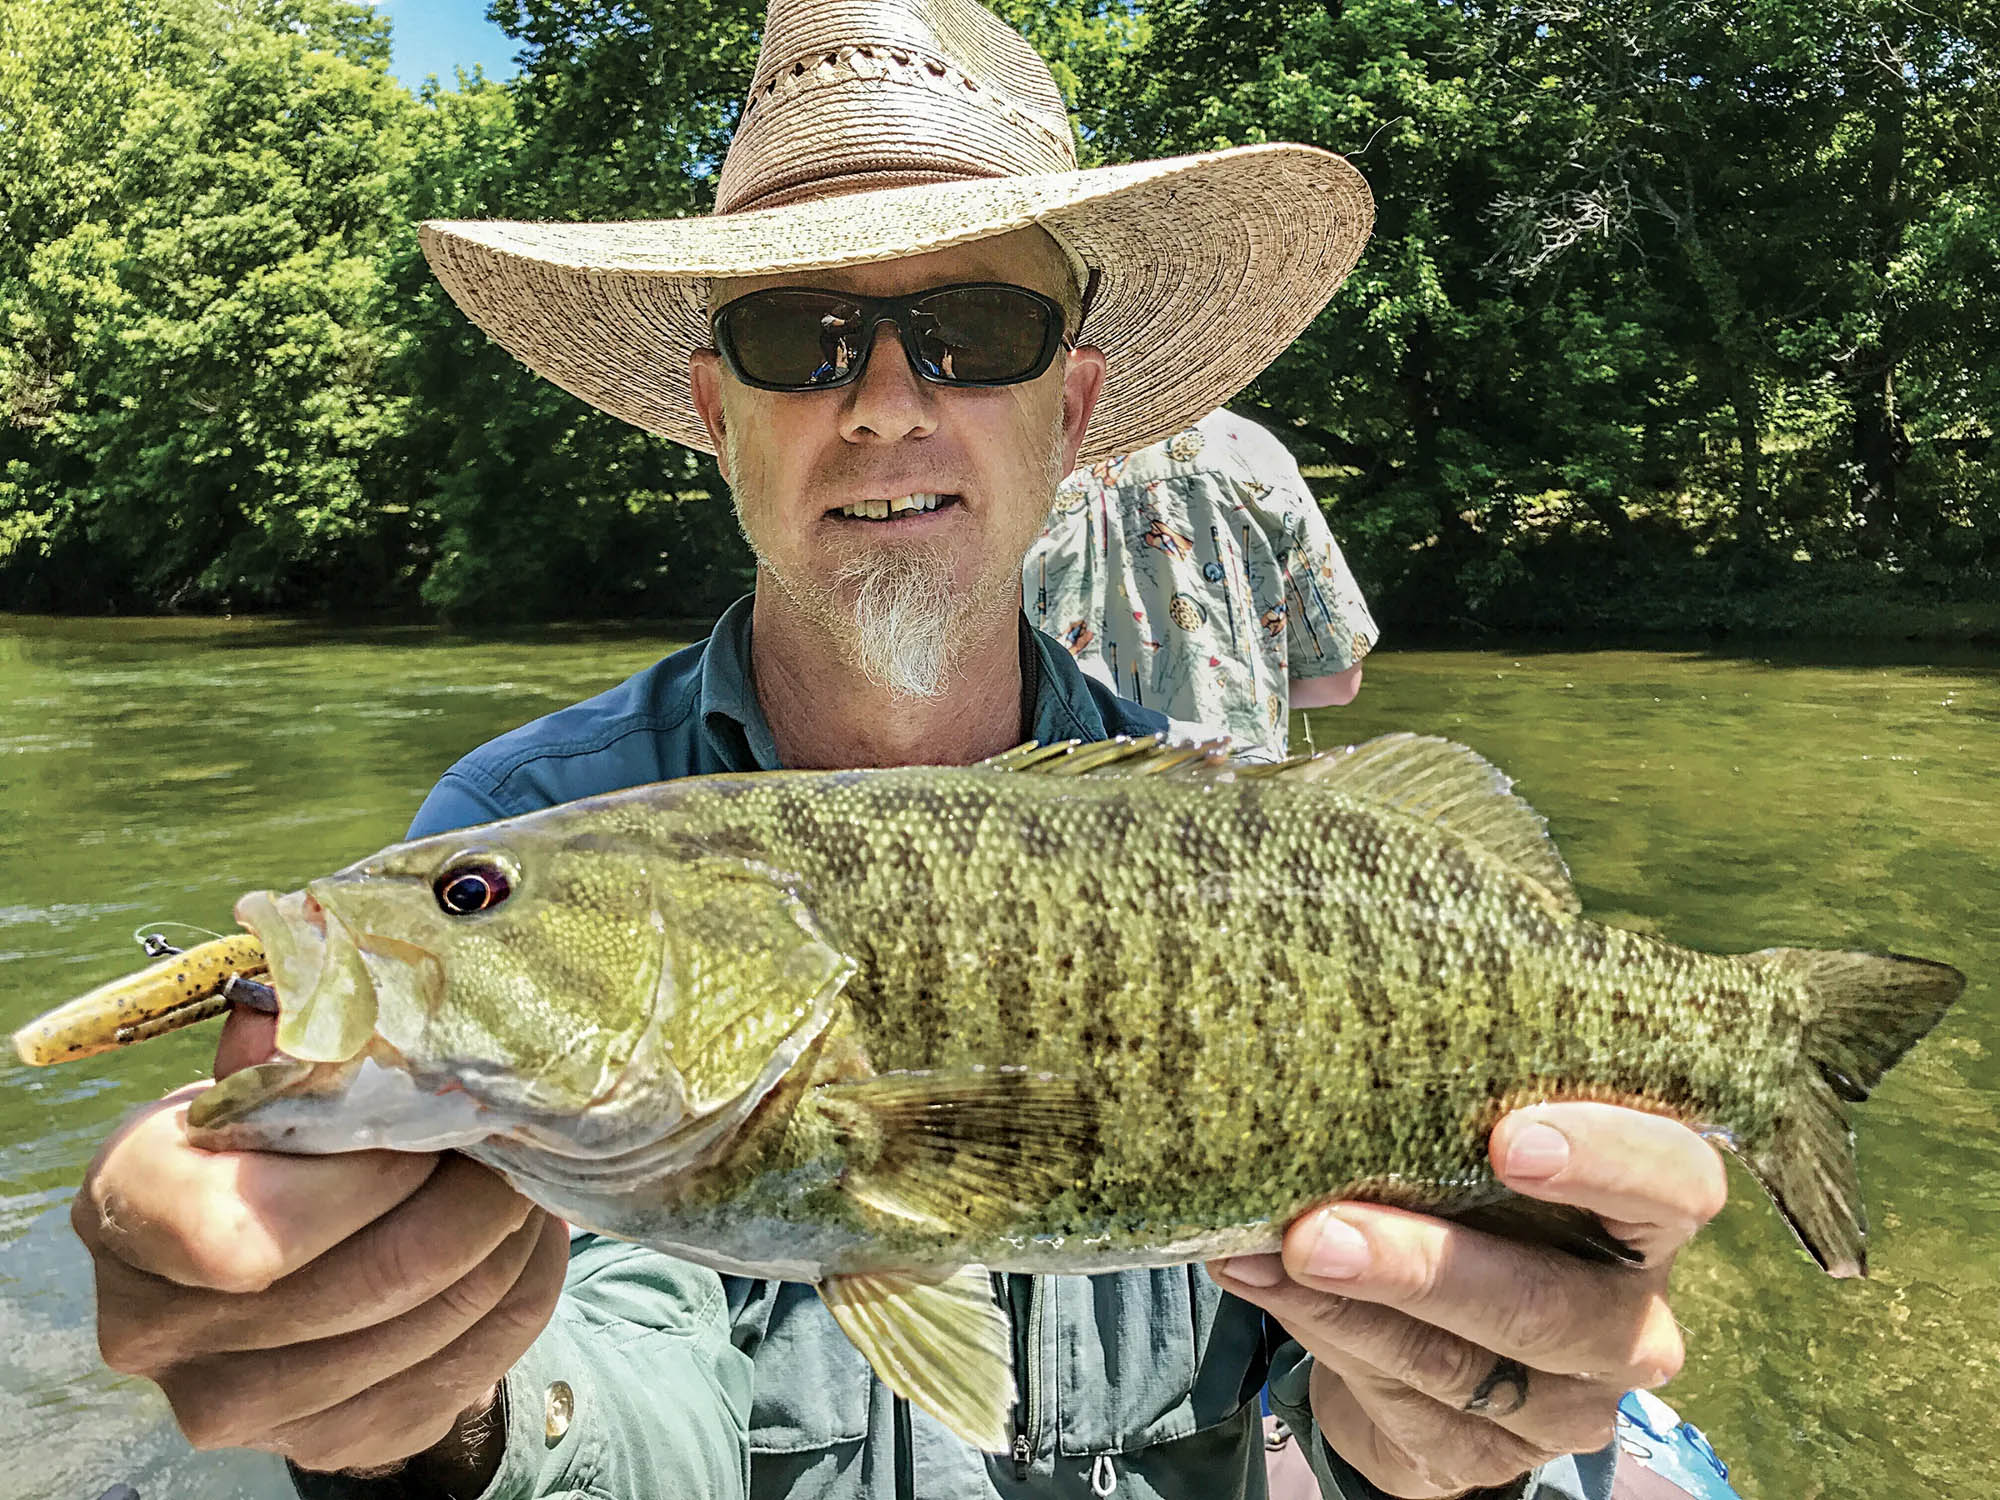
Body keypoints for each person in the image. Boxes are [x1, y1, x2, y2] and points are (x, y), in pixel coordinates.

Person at [70, 2, 1727, 1498]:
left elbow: (1339, 1389)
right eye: (799, 339)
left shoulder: (1234, 840)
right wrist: (433, 1410)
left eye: (973, 334)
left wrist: (1439, 1435)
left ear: (1071, 415)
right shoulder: (531, 822)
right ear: (718, 416)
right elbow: (612, 1373)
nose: (881, 404)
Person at [1028, 409, 1377, 755]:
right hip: (1231, 791)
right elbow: (1336, 682)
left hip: (1058, 794)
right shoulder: (1252, 453)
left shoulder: (1026, 459)